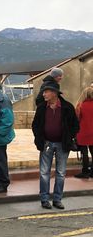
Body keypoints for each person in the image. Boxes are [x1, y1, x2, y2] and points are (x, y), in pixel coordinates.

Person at [32, 79, 79, 209]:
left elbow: (75, 125)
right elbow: (35, 125)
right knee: (44, 172)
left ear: (54, 93)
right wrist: (39, 139)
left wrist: (69, 137)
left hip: (62, 144)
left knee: (61, 172)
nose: (43, 94)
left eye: (46, 92)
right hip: (46, 143)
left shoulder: (67, 107)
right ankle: (44, 199)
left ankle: (57, 199)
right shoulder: (41, 107)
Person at [75, 86, 93, 178]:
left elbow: (77, 119)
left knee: (84, 152)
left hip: (83, 132)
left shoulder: (80, 105)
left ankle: (85, 172)